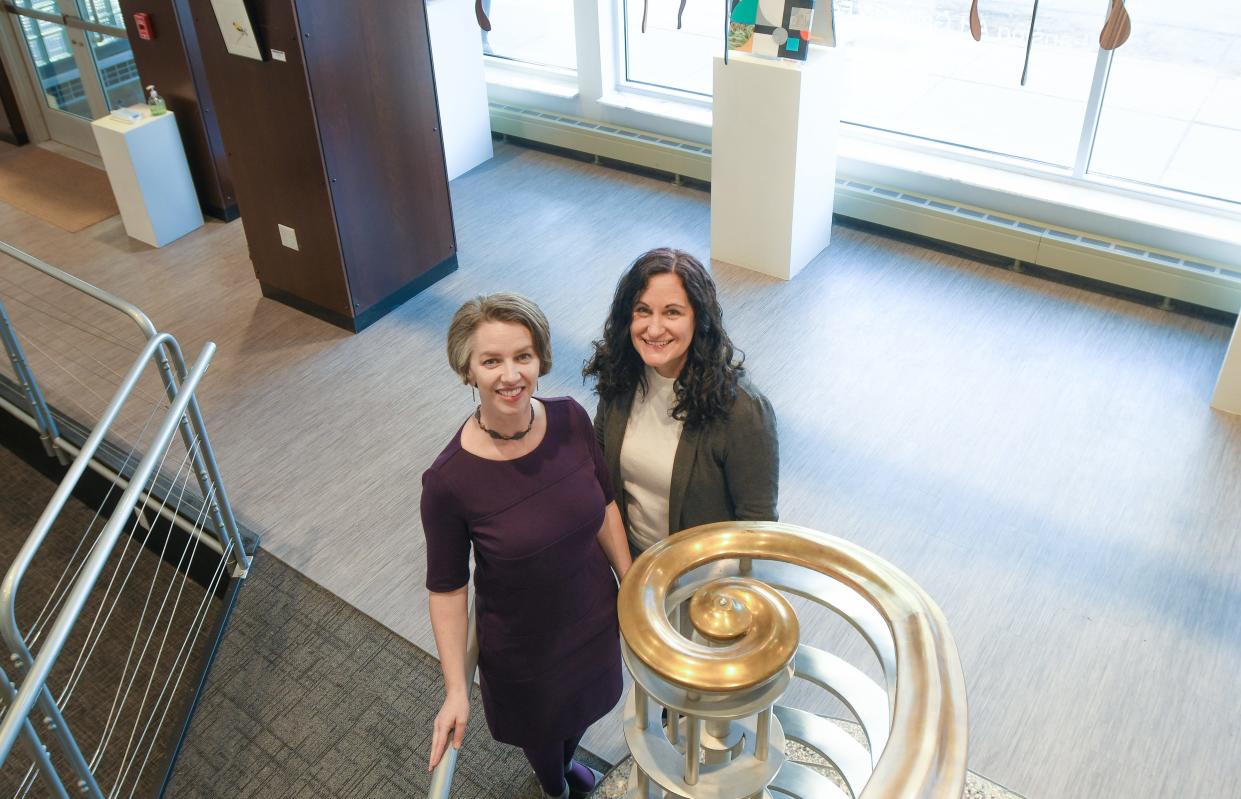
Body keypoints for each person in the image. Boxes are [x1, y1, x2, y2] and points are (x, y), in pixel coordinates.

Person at [421, 294, 631, 799]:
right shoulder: (448, 481)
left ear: (540, 360)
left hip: (593, 617)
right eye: (491, 361)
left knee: (585, 710)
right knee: (541, 732)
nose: (510, 374)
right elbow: (447, 589)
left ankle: (562, 769)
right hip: (525, 648)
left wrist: (631, 582)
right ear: (467, 371)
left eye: (523, 356)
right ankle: (554, 786)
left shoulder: (571, 419)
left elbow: (603, 504)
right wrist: (455, 688)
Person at [583, 248, 778, 555]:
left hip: (706, 580)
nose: (655, 329)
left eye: (672, 312)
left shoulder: (743, 410)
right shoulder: (622, 375)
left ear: (699, 319)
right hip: (633, 565)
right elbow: (600, 476)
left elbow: (758, 527)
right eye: (643, 310)